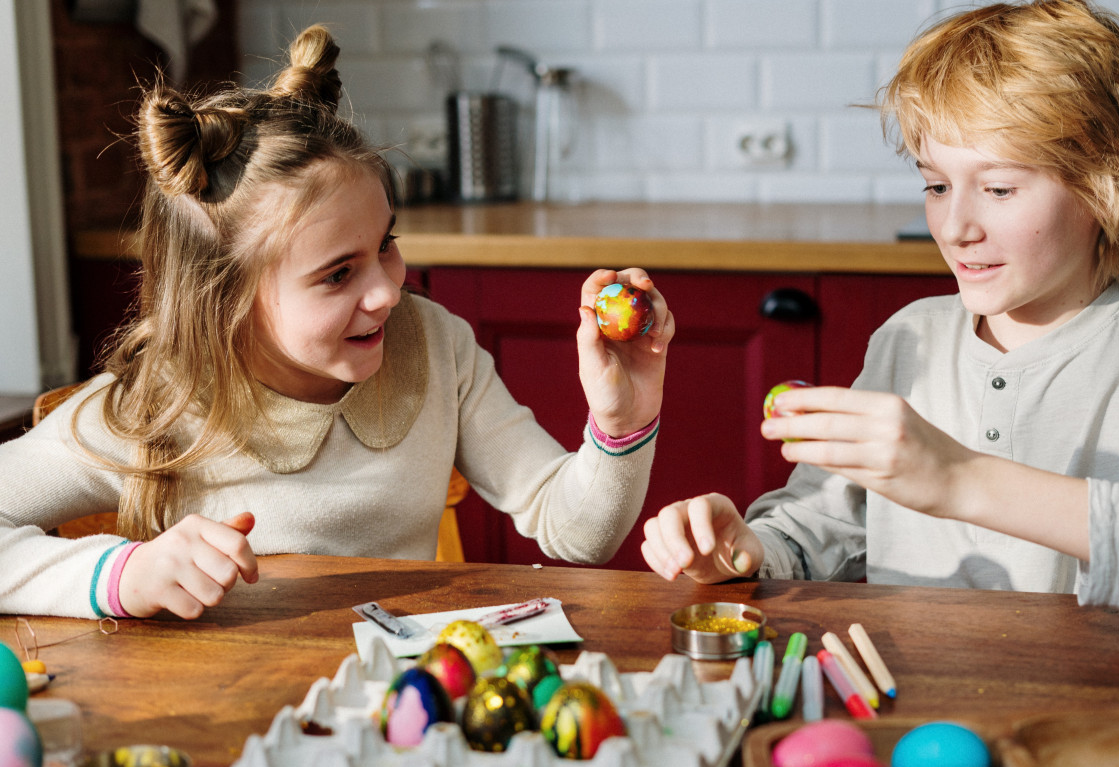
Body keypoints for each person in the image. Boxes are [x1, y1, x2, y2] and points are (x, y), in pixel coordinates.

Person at [0, 25, 673, 621]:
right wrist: (121, 576)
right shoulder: (155, 405)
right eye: (337, 274)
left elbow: (577, 533)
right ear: (224, 299)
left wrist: (621, 423)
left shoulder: (437, 347)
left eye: (386, 242)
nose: (387, 290)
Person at [640, 0, 1119, 627]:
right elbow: (819, 526)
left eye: (998, 189)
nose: (954, 226)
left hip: (1095, 723)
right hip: (914, 702)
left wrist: (962, 480)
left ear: (1104, 187)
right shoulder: (909, 340)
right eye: (936, 185)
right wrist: (746, 549)